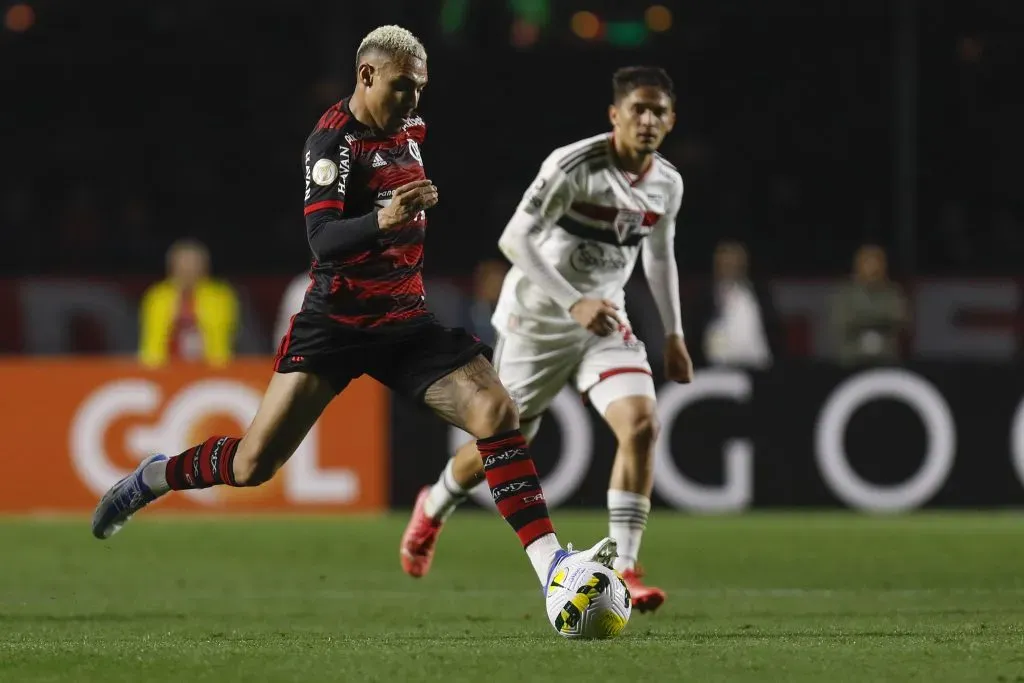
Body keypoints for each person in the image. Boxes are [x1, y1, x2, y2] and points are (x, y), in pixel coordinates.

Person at [93, 25, 616, 594]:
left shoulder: (409, 126)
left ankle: (552, 570)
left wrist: (417, 202)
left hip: (404, 322)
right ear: (366, 75)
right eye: (401, 87)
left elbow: (400, 191)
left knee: (495, 409)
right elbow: (321, 238)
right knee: (251, 466)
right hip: (336, 324)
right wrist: (384, 220)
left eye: (420, 89)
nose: (412, 101)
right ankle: (153, 475)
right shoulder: (331, 142)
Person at [400, 66, 693, 613]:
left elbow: (659, 254)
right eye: (638, 109)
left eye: (659, 112)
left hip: (604, 321)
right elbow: (515, 239)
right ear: (615, 115)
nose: (648, 120)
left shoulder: (667, 183)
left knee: (643, 424)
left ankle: (625, 567)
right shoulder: (574, 165)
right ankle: (435, 503)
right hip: (536, 323)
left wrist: (674, 333)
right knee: (507, 440)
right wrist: (572, 300)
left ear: (671, 120)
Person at [138, 238, 239, 367]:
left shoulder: (221, 296)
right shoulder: (157, 296)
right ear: (172, 268)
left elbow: (222, 337)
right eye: (183, 265)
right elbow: (152, 341)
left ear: (204, 267)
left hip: (212, 369)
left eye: (193, 264)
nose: (188, 270)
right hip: (164, 369)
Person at [831, 244, 909, 366]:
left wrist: (863, 319)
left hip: (886, 358)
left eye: (877, 263)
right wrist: (879, 320)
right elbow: (842, 322)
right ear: (858, 265)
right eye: (868, 263)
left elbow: (900, 320)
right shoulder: (845, 294)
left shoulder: (893, 292)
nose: (873, 268)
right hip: (852, 359)